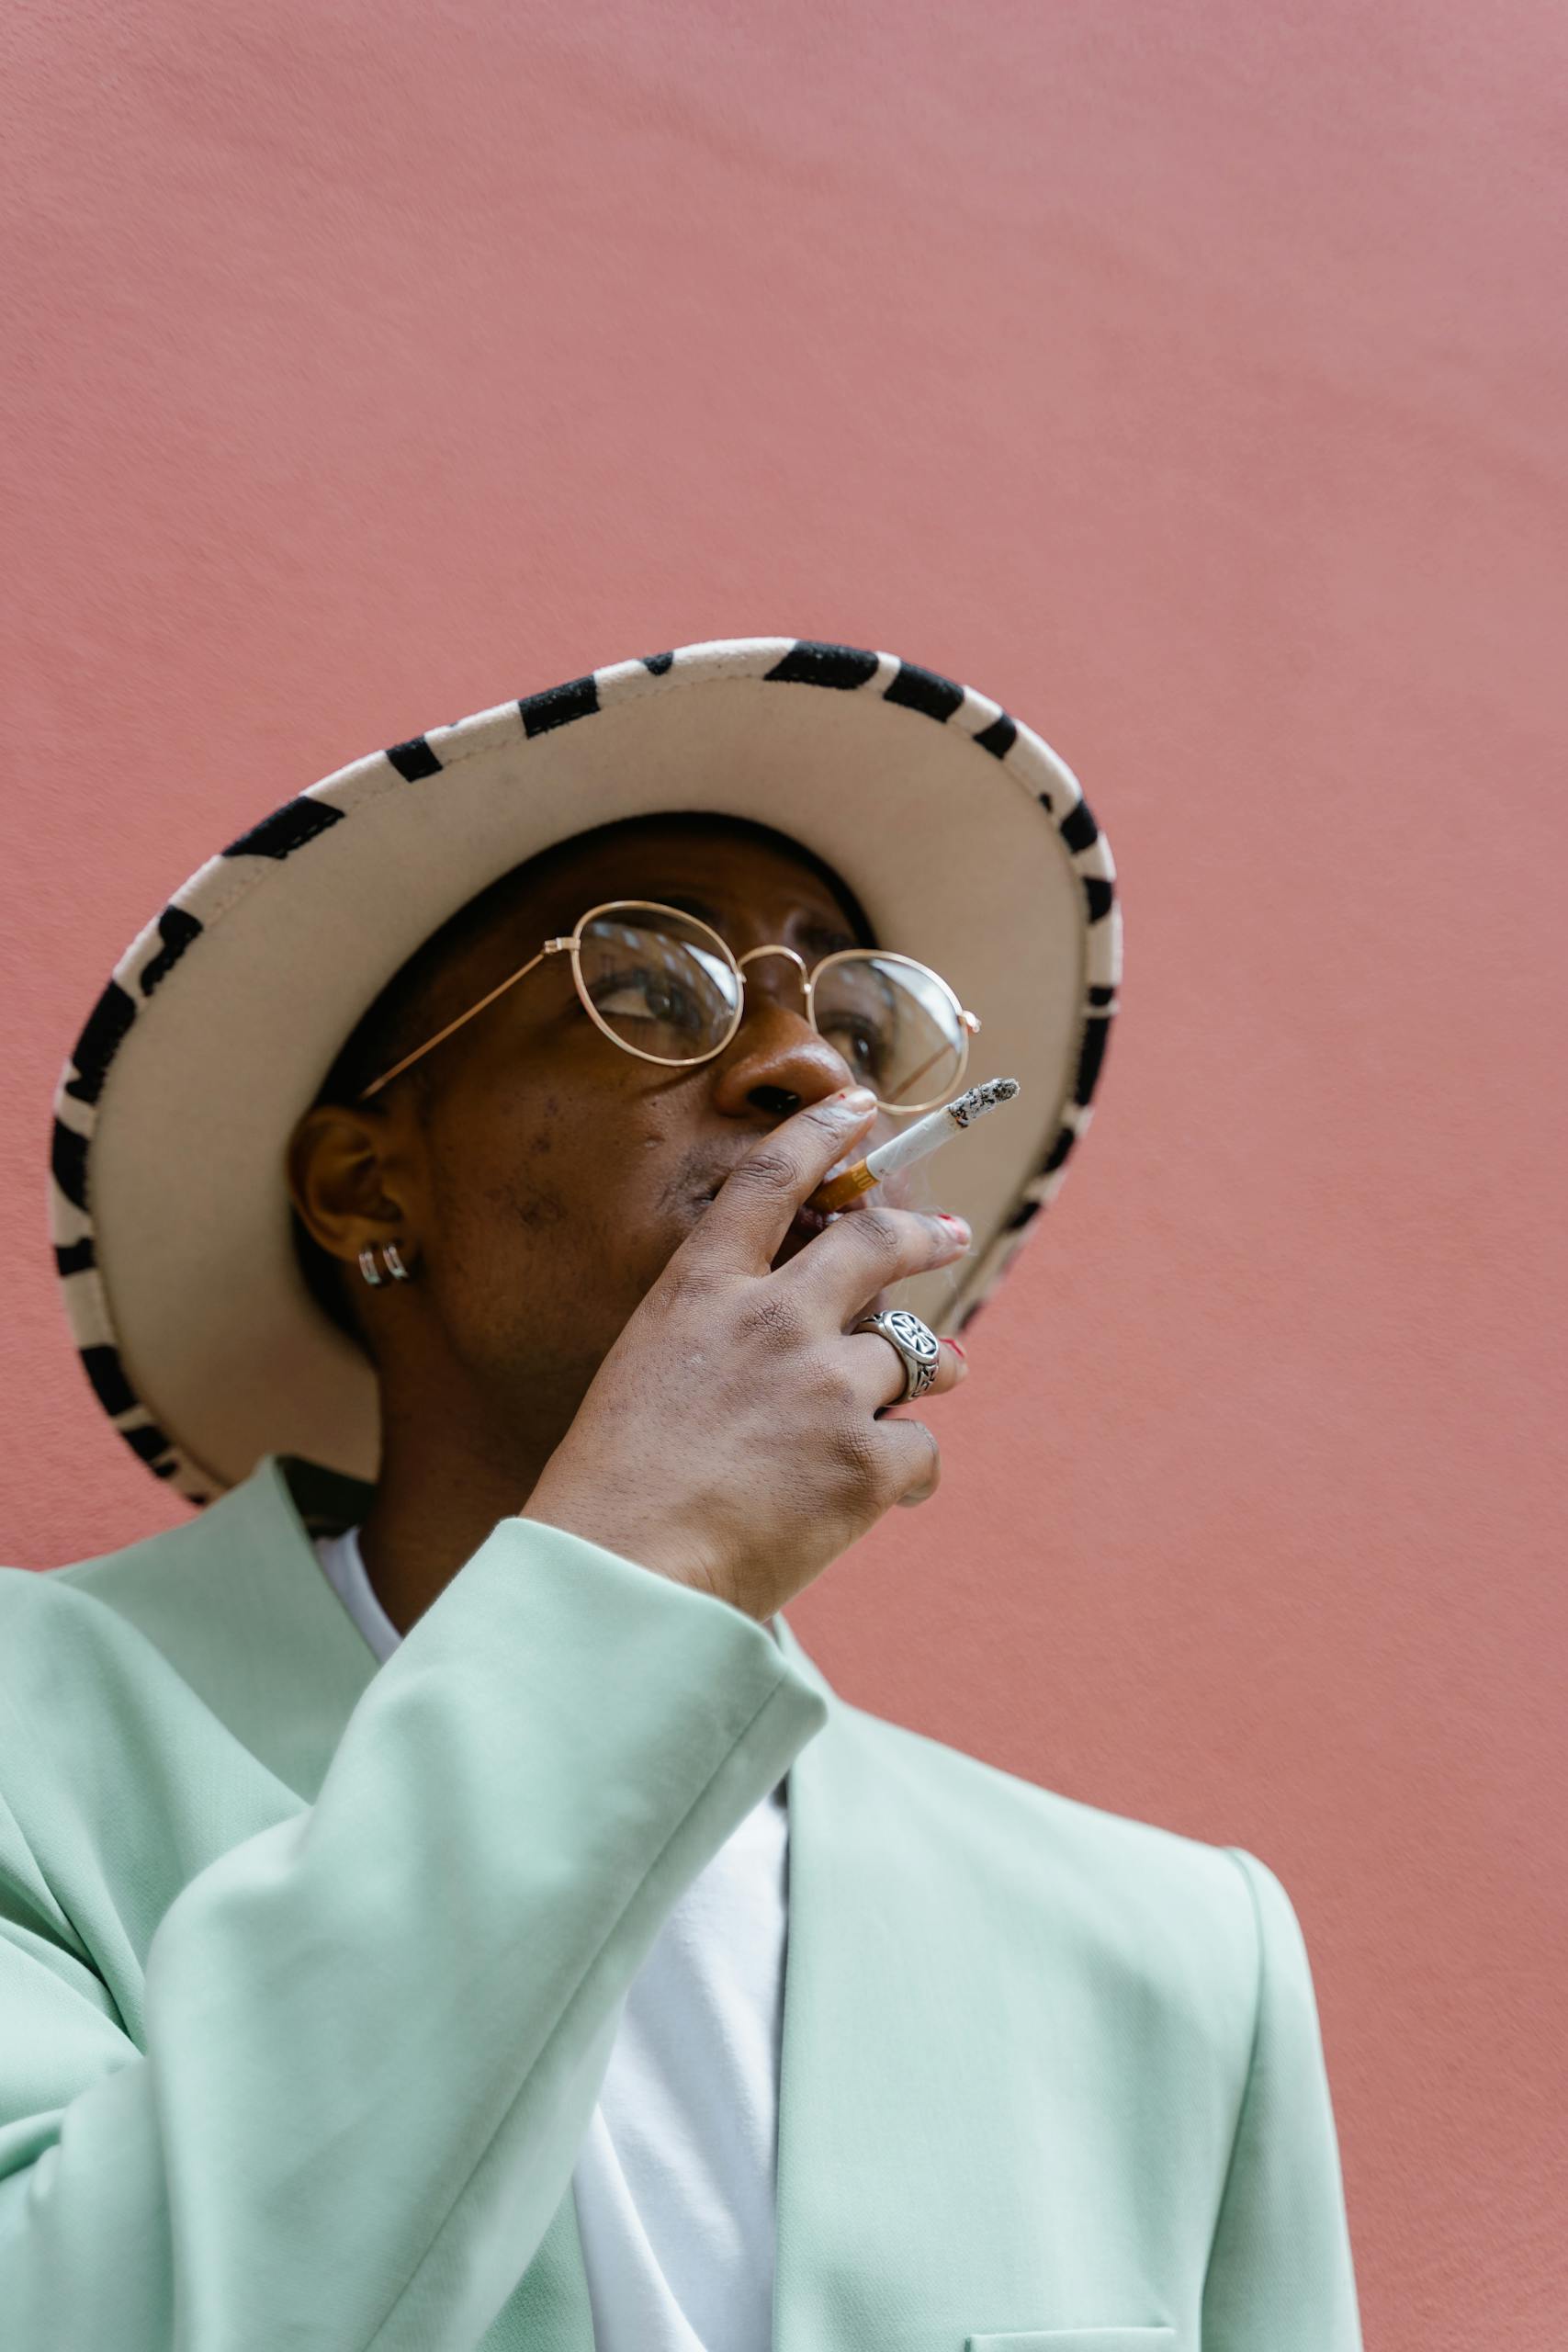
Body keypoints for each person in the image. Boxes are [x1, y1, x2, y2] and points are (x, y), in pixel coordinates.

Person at [3, 636, 1362, 2349]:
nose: (812, 1071)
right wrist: (641, 1562)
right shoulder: (30, 1743)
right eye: (654, 986)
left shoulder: (1173, 1961)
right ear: (367, 1185)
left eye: (855, 1018)